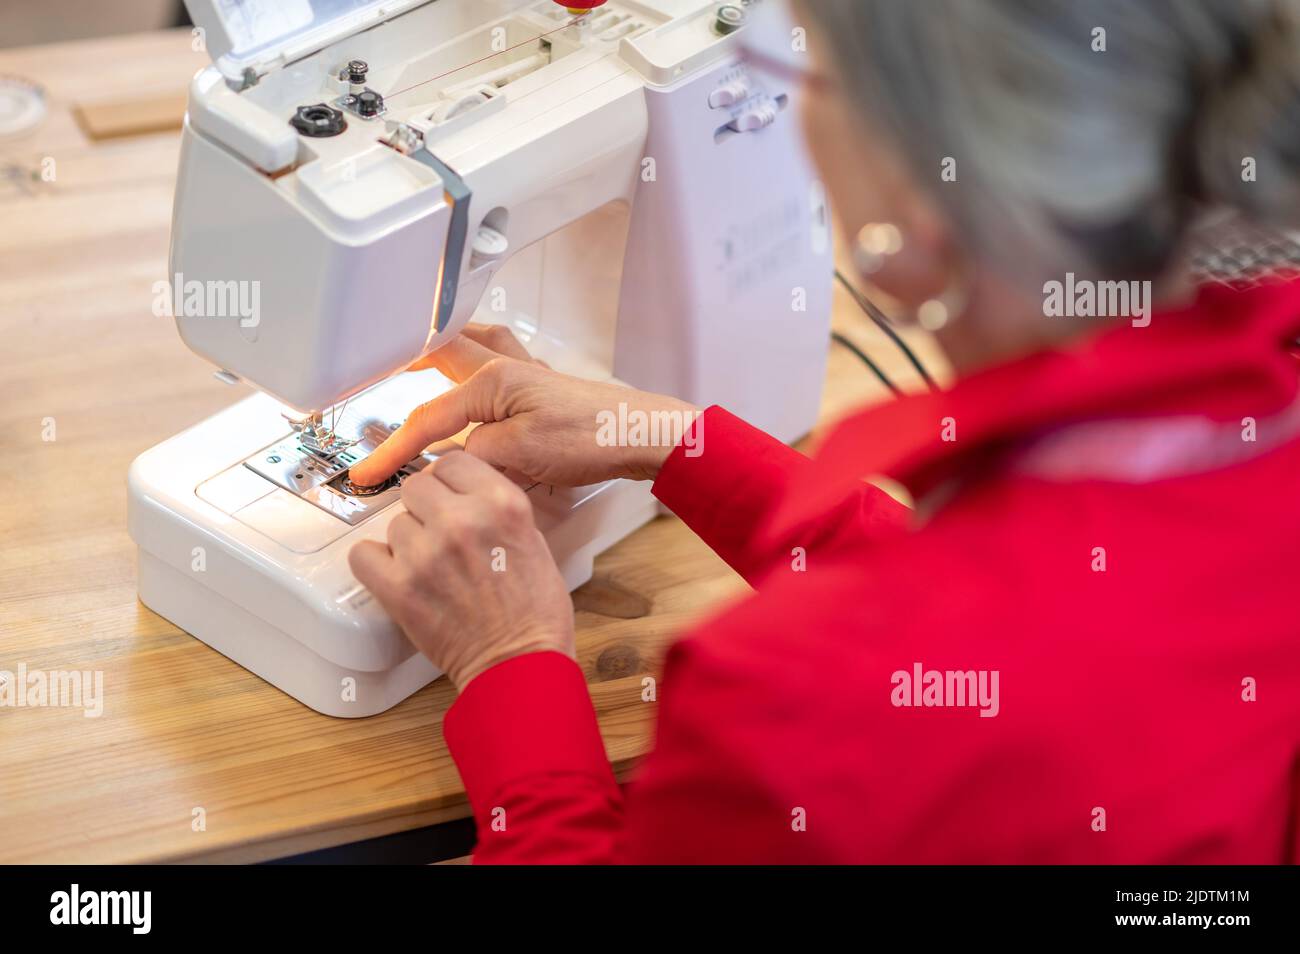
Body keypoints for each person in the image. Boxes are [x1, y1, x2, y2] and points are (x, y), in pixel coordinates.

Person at [345, 0, 1300, 863]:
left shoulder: (798, 707)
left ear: (916, 211)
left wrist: (508, 661)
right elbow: (1041, 635)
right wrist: (678, 440)